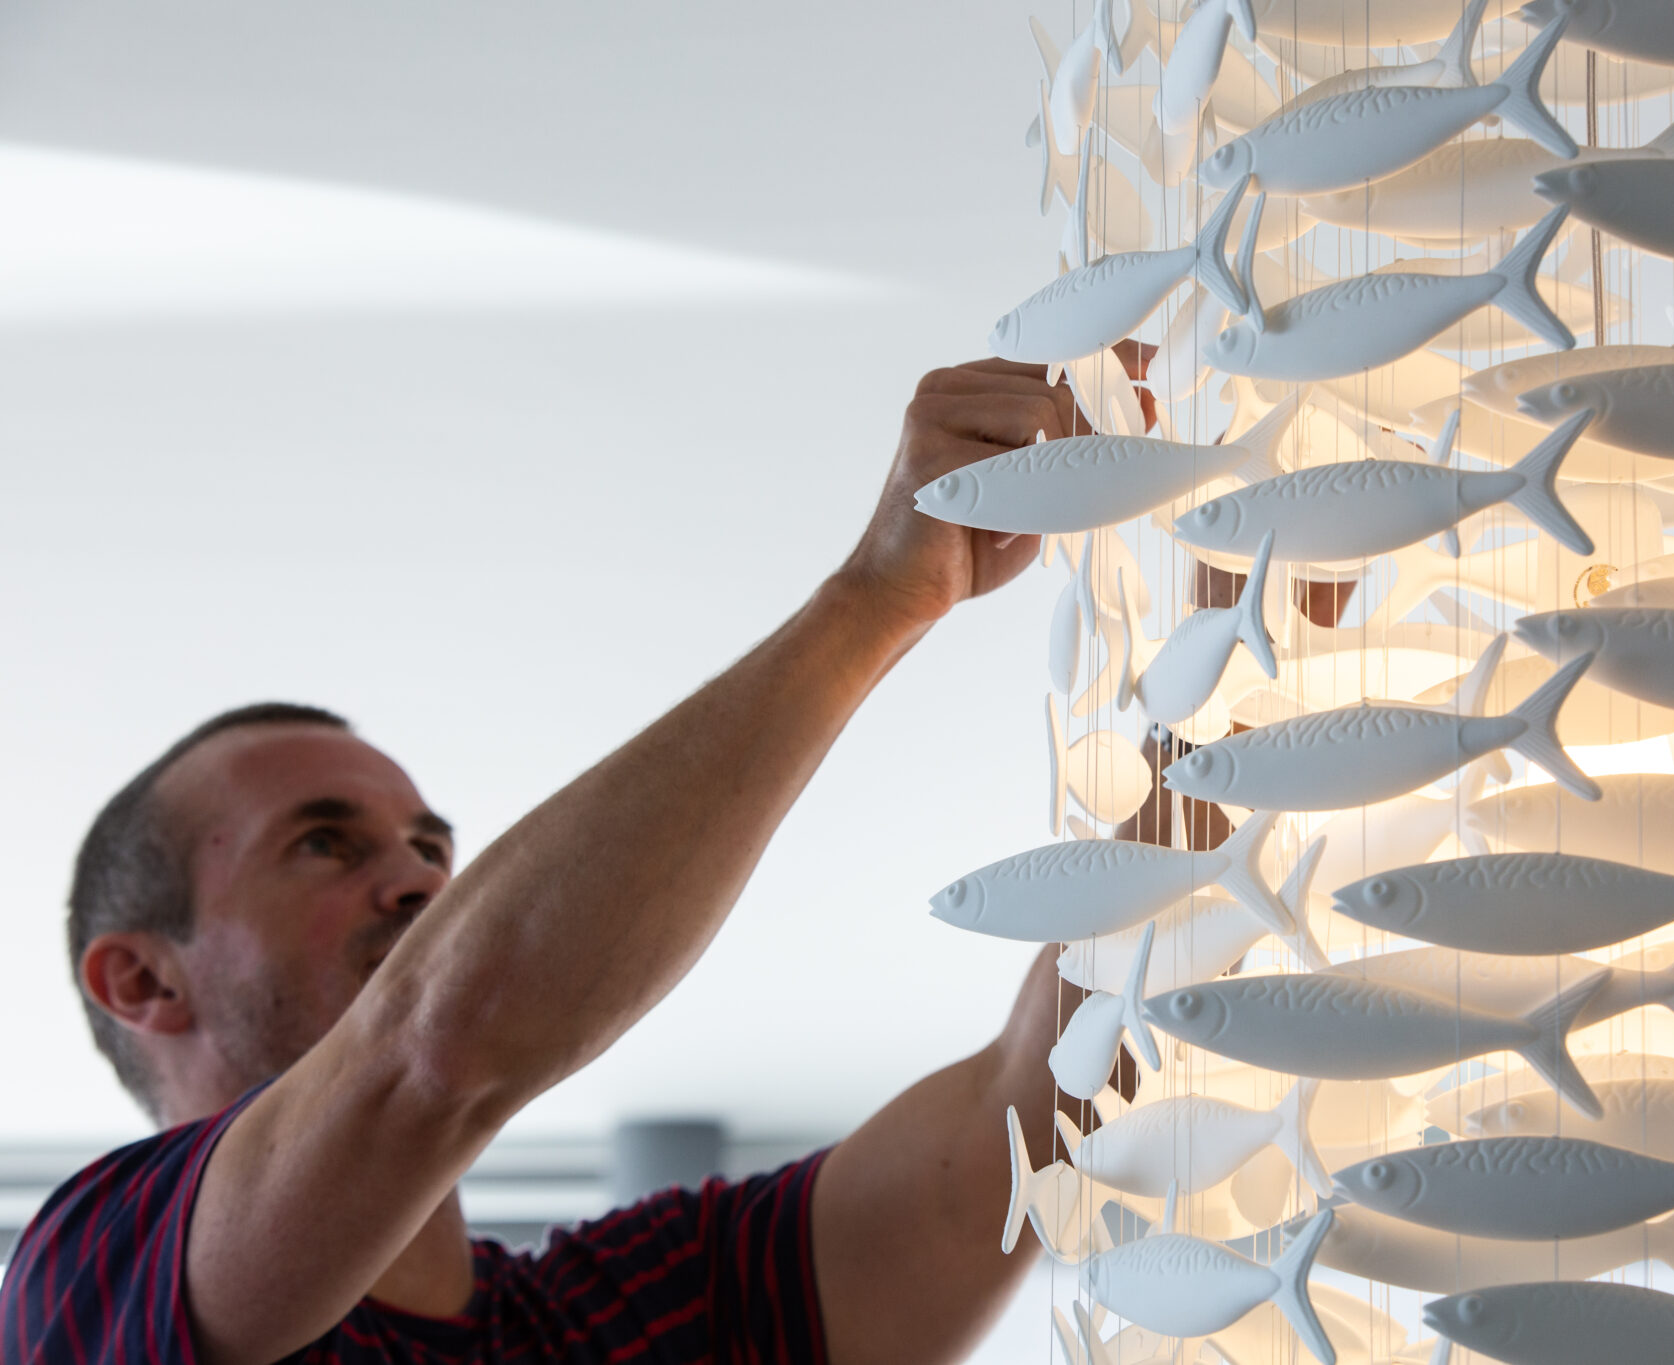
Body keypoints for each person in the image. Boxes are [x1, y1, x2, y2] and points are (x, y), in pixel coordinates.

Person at [0, 351, 1152, 1365]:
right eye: (322, 844)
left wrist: (1239, 700)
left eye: (427, 846)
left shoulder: (620, 1320)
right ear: (141, 981)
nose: (413, 880)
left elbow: (1023, 1114)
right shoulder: (90, 1280)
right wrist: (878, 596)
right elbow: (437, 1050)